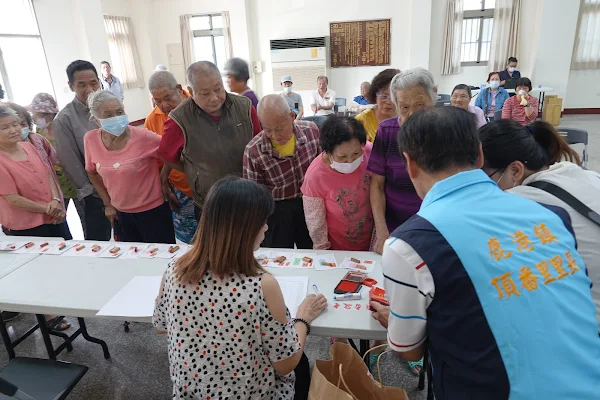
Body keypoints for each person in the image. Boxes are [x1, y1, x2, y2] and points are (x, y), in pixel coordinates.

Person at [370, 105, 600, 399]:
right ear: (479, 155)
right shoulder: (551, 215)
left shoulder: (410, 246)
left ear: (410, 164)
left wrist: (396, 320)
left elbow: (408, 349)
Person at [153, 176, 328, 400]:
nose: (266, 228)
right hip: (252, 394)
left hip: (190, 393)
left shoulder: (174, 269)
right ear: (245, 230)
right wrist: (302, 319)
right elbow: (285, 364)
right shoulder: (261, 285)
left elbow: (160, 325)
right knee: (300, 364)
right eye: (262, 222)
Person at [480, 119, 600, 324]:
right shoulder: (578, 172)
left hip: (587, 328)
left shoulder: (519, 202)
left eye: (484, 177)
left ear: (516, 170)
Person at [158, 61, 262, 220]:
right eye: (205, 93)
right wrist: (194, 171)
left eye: (218, 88)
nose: (214, 98)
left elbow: (258, 145)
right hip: (210, 203)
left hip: (248, 197)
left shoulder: (244, 107)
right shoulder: (179, 120)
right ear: (191, 91)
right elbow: (167, 156)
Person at [84, 90, 175, 244]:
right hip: (121, 215)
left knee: (161, 259)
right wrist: (107, 203)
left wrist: (163, 179)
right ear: (96, 119)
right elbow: (91, 172)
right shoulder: (90, 139)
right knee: (131, 260)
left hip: (153, 213)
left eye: (119, 112)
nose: (116, 118)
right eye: (108, 115)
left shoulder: (143, 137)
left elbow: (172, 151)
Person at [369, 68, 433, 255]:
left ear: (433, 96)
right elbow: (377, 186)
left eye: (420, 105)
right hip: (394, 228)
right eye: (405, 107)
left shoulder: (446, 130)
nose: (413, 114)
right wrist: (382, 232)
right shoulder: (387, 131)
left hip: (433, 229)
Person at [243, 95, 319, 249]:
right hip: (277, 209)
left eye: (279, 128)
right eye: (268, 130)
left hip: (310, 203)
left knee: (312, 251)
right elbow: (254, 196)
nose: (275, 136)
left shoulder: (311, 131)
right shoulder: (253, 151)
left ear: (291, 116)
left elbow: (322, 169)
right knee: (279, 254)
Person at [53, 60, 111, 241]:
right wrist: (96, 193)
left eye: (94, 83)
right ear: (71, 86)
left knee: (127, 238)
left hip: (120, 187)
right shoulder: (64, 119)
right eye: (82, 85)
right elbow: (71, 163)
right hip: (93, 194)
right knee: (98, 240)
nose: (90, 89)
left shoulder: (109, 107)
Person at [302, 116, 373, 250]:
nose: (350, 160)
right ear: (328, 152)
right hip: (339, 249)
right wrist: (323, 251)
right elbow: (316, 222)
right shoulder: (315, 176)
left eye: (356, 153)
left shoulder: (370, 152)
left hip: (372, 241)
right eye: (342, 157)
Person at [7, 102, 73, 241]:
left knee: (65, 250)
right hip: (28, 223)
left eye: (16, 124)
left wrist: (55, 200)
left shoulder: (30, 146)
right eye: (5, 127)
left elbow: (47, 172)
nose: (13, 130)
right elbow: (12, 199)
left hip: (53, 214)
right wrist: (47, 208)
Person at [145, 70, 197, 244]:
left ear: (179, 89)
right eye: (157, 100)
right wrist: (164, 185)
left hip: (208, 187)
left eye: (167, 97)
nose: (164, 105)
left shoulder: (198, 106)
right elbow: (159, 158)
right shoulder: (152, 120)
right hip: (180, 189)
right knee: (189, 242)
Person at [355, 69, 400, 143]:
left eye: (394, 97)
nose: (389, 102)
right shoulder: (362, 120)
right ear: (375, 95)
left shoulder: (406, 119)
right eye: (384, 96)